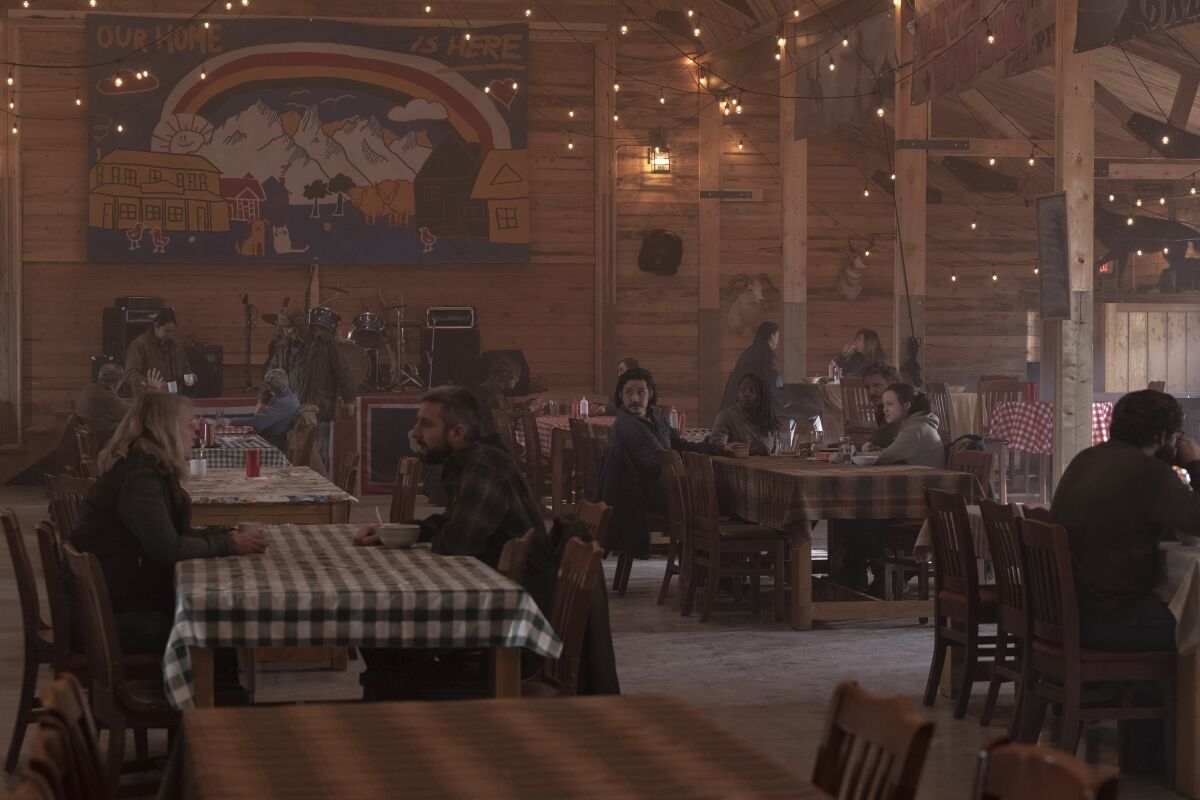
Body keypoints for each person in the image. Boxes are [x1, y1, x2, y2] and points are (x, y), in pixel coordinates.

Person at [353, 387, 555, 698]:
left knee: (378, 626)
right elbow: (454, 522)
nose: (414, 432)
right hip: (494, 604)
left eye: (426, 424)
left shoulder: (483, 467)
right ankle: (398, 709)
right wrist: (408, 531)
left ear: (457, 433)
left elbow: (458, 543)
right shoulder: (474, 461)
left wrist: (431, 536)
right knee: (378, 630)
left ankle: (402, 711)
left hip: (507, 624)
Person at [69, 392, 266, 697]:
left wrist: (223, 534)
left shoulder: (146, 465)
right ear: (166, 429)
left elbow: (171, 534)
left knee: (217, 621)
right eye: (188, 425)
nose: (196, 431)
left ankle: (219, 712)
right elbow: (167, 549)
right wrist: (227, 543)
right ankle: (217, 720)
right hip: (107, 620)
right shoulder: (139, 476)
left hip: (114, 602)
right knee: (213, 626)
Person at [1051, 389, 1200, 773]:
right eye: (1177, 434)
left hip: (1071, 614)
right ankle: (1183, 762)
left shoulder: (1086, 459)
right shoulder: (1147, 472)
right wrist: (1196, 464)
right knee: (1192, 623)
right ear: (1164, 435)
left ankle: (1148, 749)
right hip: (1111, 620)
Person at [595, 367, 732, 559]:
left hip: (668, 485)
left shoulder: (656, 416)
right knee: (724, 496)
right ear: (620, 395)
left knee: (720, 493)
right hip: (650, 493)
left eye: (641, 392)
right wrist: (697, 473)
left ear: (650, 394)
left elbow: (679, 444)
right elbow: (660, 462)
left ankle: (709, 566)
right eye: (628, 392)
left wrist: (718, 449)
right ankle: (714, 568)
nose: (635, 399)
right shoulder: (627, 424)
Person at [862, 384, 944, 468]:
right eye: (884, 405)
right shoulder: (917, 425)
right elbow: (893, 453)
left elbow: (885, 457)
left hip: (927, 480)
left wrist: (857, 455)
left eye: (890, 404)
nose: (884, 409)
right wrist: (875, 450)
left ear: (906, 405)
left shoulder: (916, 429)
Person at [719, 321, 783, 417]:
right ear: (772, 336)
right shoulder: (766, 352)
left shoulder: (750, 351)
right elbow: (769, 379)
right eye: (778, 336)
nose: (778, 340)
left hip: (733, 402)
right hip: (747, 403)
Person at [124, 308, 195, 394]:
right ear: (156, 326)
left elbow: (185, 367)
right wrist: (149, 383)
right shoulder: (139, 344)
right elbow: (130, 373)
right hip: (150, 398)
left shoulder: (176, 344)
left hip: (175, 397)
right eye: (167, 331)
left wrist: (190, 377)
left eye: (172, 332)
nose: (170, 335)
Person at [710, 373, 779, 456]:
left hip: (767, 467)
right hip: (735, 468)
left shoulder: (768, 419)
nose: (746, 394)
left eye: (752, 390)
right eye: (742, 390)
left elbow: (774, 452)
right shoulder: (726, 416)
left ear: (762, 395)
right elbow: (715, 446)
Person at [238, 368, 299, 451]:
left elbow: (258, 422)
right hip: (270, 440)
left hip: (274, 446)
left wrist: (231, 421)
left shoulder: (283, 402)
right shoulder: (292, 398)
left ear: (272, 391)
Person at [74, 363, 130, 449]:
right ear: (118, 383)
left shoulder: (89, 388)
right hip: (106, 445)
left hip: (94, 440)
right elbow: (132, 414)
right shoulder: (108, 398)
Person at [474, 355, 521, 437]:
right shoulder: (492, 392)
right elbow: (506, 420)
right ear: (507, 376)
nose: (517, 380)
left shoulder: (489, 387)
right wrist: (530, 409)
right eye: (516, 376)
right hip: (486, 439)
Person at [861, 362, 901, 449]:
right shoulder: (881, 409)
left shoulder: (900, 409)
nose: (871, 392)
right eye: (867, 387)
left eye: (877, 385)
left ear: (891, 385)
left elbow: (882, 439)